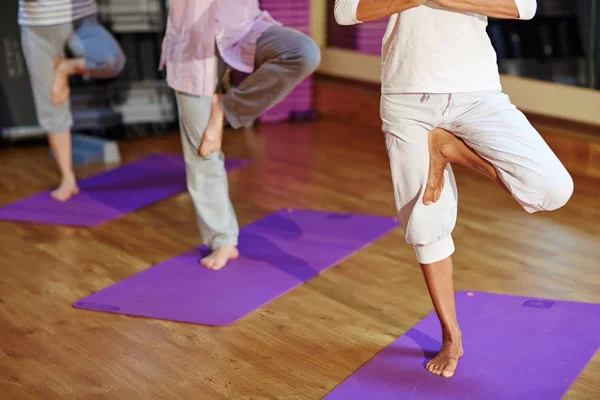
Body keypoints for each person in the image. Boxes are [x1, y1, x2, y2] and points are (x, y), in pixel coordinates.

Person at [334, 0, 573, 378]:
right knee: (425, 223)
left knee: (553, 188)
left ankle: (450, 149)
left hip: (477, 94)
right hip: (407, 96)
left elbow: (522, 6)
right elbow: (347, 11)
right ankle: (451, 335)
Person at [160, 1, 321, 270]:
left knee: (304, 52)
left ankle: (226, 108)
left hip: (243, 26)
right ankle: (223, 239)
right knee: (203, 150)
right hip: (192, 43)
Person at [19, 0, 126, 201]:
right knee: (51, 102)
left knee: (111, 60)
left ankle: (66, 67)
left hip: (81, 18)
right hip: (37, 24)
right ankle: (67, 178)